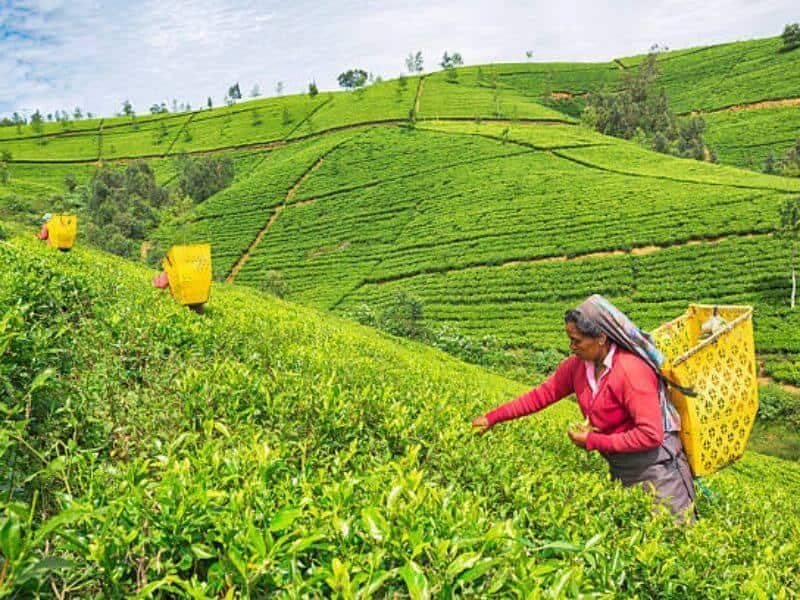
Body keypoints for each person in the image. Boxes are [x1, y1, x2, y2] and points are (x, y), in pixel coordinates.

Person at [472, 294, 696, 523]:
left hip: (658, 471)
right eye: (570, 339)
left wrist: (592, 441)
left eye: (577, 341)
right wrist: (492, 418)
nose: (571, 347)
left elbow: (651, 435)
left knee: (672, 534)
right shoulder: (577, 367)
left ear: (600, 338)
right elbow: (540, 396)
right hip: (620, 466)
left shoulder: (631, 372)